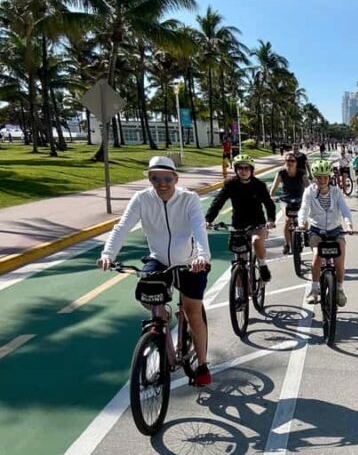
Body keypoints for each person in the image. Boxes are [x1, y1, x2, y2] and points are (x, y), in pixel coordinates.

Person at [97, 156, 213, 385]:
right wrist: (108, 255)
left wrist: (202, 256)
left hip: (190, 261)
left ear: (175, 178)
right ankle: (162, 319)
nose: (161, 183)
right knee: (146, 295)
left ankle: (201, 365)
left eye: (167, 178)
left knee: (193, 313)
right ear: (149, 179)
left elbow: (199, 228)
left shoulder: (189, 199)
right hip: (159, 259)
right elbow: (122, 227)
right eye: (155, 178)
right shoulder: (141, 199)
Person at [205, 154, 277, 281]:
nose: (243, 171)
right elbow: (218, 202)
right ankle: (239, 294)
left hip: (257, 223)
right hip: (238, 224)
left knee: (256, 241)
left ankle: (262, 264)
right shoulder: (230, 184)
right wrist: (208, 219)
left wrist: (271, 220)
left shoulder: (259, 185)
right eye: (240, 168)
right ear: (236, 170)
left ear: (251, 170)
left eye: (246, 168)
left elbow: (269, 204)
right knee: (239, 261)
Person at [298, 159, 355, 306]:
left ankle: (340, 289)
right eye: (318, 177)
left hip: (335, 230)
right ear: (314, 177)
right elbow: (304, 209)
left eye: (325, 177)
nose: (322, 180)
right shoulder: (309, 192)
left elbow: (344, 210)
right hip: (316, 231)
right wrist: (301, 223)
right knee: (317, 255)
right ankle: (314, 289)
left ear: (329, 177)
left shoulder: (336, 192)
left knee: (340, 258)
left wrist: (348, 225)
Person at [270, 152, 310, 254]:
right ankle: (287, 244)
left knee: (303, 218)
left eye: (292, 161)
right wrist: (270, 196)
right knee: (288, 220)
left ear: (296, 163)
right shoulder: (281, 173)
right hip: (286, 199)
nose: (290, 163)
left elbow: (308, 186)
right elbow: (273, 188)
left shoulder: (301, 173)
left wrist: (309, 195)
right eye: (287, 161)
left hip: (300, 198)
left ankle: (306, 235)